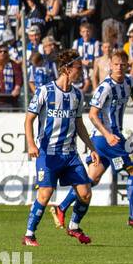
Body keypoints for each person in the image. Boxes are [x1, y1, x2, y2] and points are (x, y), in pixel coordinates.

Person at [64, 50, 133, 230]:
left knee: (92, 179)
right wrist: (108, 134)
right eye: (116, 64)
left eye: (122, 65)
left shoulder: (128, 82)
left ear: (127, 66)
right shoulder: (105, 87)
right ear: (110, 65)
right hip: (106, 138)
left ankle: (61, 207)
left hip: (106, 139)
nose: (119, 68)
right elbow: (93, 115)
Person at [22, 49, 99, 247]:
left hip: (70, 154)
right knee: (45, 194)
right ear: (66, 69)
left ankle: (74, 226)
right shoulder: (44, 91)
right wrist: (31, 144)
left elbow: (79, 124)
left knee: (85, 193)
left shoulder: (77, 94)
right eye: (78, 68)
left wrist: (91, 147)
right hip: (49, 153)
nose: (81, 72)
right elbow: (29, 120)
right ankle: (29, 234)